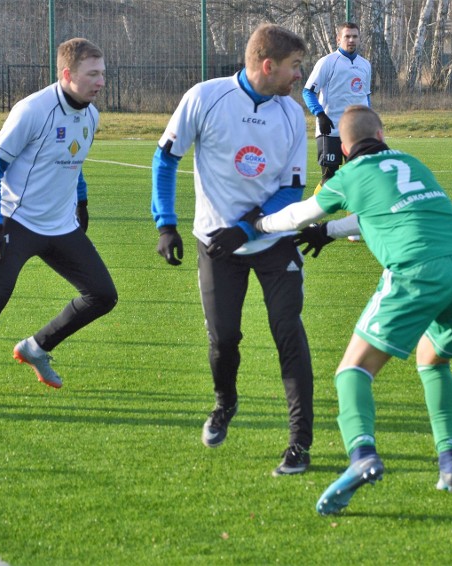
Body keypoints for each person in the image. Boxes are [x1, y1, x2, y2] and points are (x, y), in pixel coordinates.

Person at [255, 105, 452, 514]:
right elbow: (387, 215)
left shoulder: (348, 175)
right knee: (433, 361)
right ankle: (451, 465)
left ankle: (362, 455)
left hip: (419, 267)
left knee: (353, 370)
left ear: (344, 150)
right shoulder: (411, 162)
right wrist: (329, 233)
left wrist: (259, 225)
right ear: (382, 136)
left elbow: (299, 215)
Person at [151, 23, 314, 477]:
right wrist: (166, 225)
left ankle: (299, 443)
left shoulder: (290, 114)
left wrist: (247, 228)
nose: (298, 76)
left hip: (273, 240)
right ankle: (225, 403)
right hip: (214, 244)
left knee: (289, 333)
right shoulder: (205, 97)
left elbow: (292, 191)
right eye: (294, 67)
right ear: (269, 65)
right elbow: (165, 158)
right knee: (224, 340)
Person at [0, 38, 118, 412]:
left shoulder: (92, 115)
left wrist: (81, 200)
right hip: (16, 224)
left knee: (102, 294)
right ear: (67, 75)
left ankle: (36, 348)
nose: (101, 82)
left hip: (62, 226)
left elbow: (73, 162)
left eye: (103, 74)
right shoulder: (32, 110)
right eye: (93, 74)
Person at [302, 21, 372, 242]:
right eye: (347, 36)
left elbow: (365, 96)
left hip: (356, 132)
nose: (351, 40)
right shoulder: (327, 63)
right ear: (338, 39)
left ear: (360, 39)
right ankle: (312, 215)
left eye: (355, 36)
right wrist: (320, 115)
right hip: (330, 129)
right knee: (330, 178)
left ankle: (353, 224)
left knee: (357, 176)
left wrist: (369, 120)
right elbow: (308, 92)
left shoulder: (365, 65)